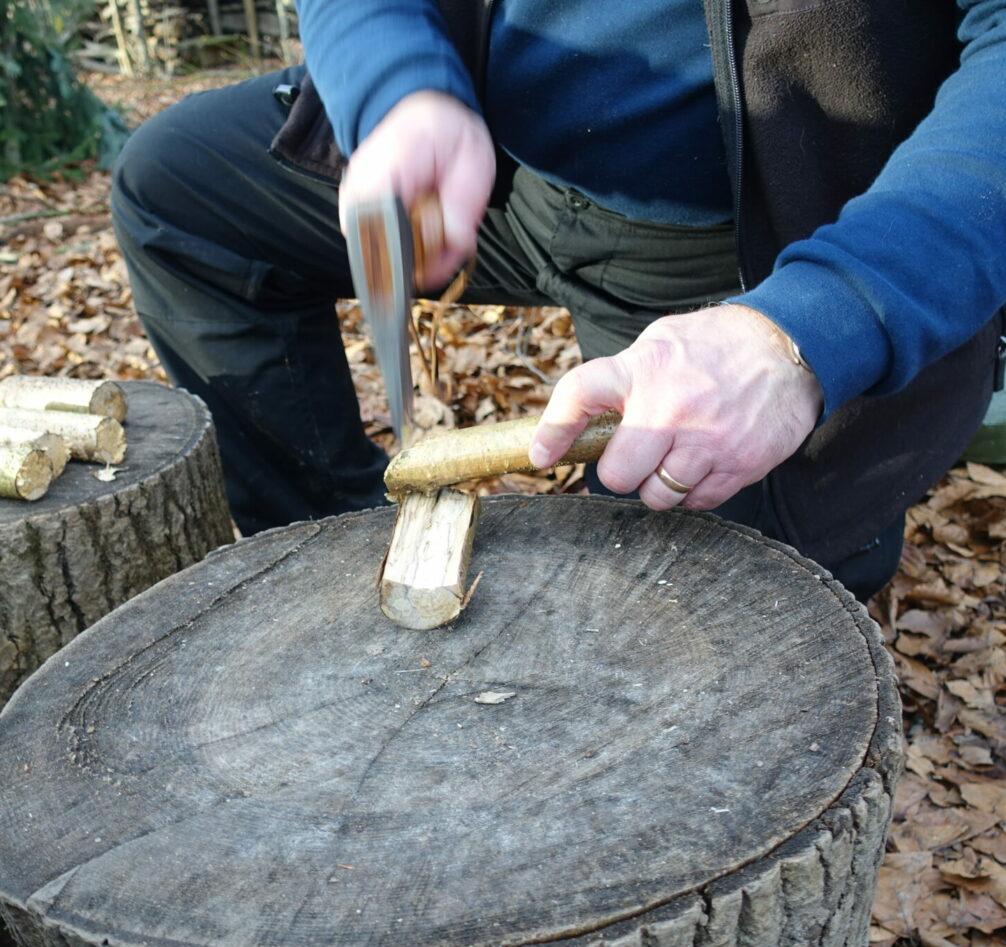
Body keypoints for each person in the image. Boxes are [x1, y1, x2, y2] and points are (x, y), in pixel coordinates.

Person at [111, 0, 1006, 604]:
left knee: (695, 606)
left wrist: (817, 323)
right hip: (494, 173)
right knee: (178, 190)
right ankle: (345, 559)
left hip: (776, 237)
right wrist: (395, 88)